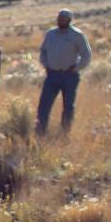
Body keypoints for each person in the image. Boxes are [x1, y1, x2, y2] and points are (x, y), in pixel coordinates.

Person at [37, 9, 93, 137]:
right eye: (59, 17)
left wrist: (77, 67)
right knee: (44, 104)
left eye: (63, 18)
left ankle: (64, 133)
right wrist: (46, 65)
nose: (60, 20)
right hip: (52, 75)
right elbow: (43, 51)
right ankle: (40, 131)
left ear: (69, 20)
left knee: (68, 106)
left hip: (69, 76)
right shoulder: (50, 34)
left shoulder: (77, 35)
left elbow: (86, 55)